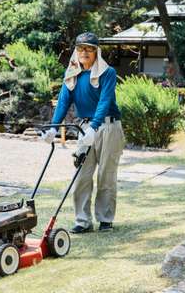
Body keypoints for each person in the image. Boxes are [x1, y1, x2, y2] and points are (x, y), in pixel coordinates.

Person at [42, 32, 125, 233]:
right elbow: (64, 101)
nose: (84, 52)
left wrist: (94, 127)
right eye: (80, 49)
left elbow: (105, 101)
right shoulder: (72, 73)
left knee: (106, 174)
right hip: (84, 127)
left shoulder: (108, 73)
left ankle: (105, 220)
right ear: (75, 51)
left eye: (89, 49)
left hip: (108, 126)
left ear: (96, 52)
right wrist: (54, 127)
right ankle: (83, 221)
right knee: (82, 174)